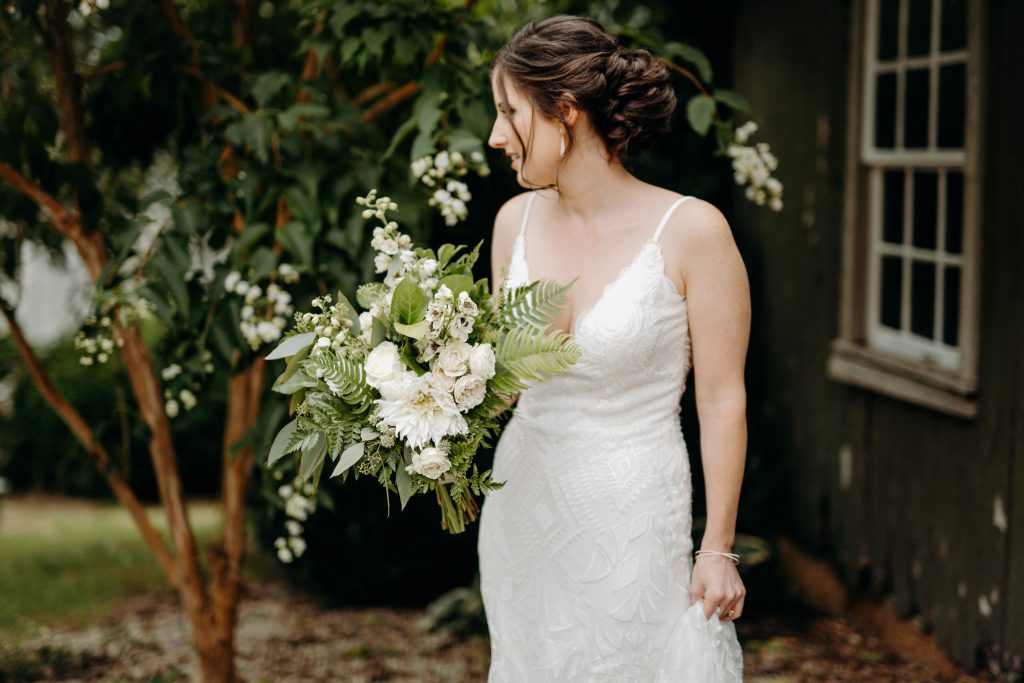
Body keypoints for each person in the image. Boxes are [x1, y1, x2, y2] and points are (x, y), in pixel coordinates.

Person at [475, 15, 750, 682]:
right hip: (522, 510)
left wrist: (718, 547)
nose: (495, 135)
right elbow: (500, 386)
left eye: (510, 112)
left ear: (565, 112)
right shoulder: (513, 221)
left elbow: (720, 398)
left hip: (635, 515)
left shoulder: (691, 231)